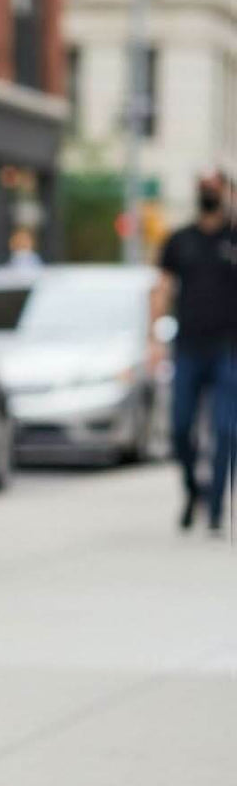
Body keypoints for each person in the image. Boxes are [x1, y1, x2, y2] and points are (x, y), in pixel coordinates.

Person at [149, 169, 237, 534]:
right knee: (180, 426)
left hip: (229, 350)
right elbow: (163, 289)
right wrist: (153, 339)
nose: (208, 193)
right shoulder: (179, 240)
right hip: (187, 348)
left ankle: (217, 508)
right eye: (203, 187)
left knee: (225, 430)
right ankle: (193, 491)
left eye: (214, 187)